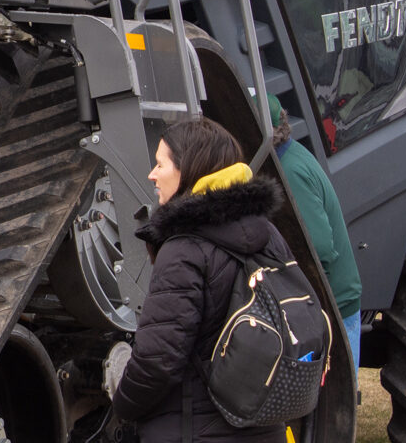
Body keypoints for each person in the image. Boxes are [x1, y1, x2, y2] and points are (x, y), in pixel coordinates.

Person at [109, 118, 296, 443]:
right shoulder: (267, 232)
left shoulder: (184, 249)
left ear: (189, 170)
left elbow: (157, 361)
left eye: (160, 164)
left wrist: (122, 404)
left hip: (194, 429)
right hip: (261, 425)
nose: (152, 175)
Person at [268, 96, 363, 368]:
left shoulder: (290, 171)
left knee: (332, 397)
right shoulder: (292, 154)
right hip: (333, 302)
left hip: (334, 305)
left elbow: (318, 249)